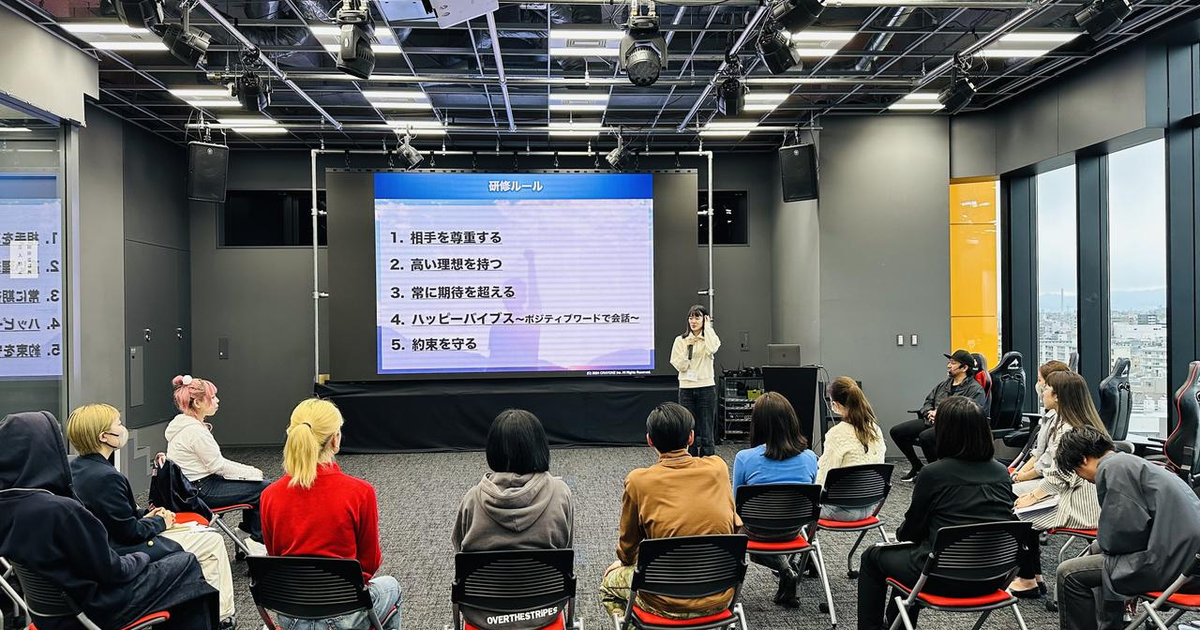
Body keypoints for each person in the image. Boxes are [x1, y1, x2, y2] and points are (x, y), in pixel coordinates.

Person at [0, 411, 219, 630]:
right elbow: (114, 570)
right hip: (98, 608)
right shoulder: (62, 511)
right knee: (186, 564)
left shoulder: (11, 506)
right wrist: (142, 557)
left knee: (176, 570)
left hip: (52, 616)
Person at [66, 404, 237, 626]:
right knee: (211, 541)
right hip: (123, 551)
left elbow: (115, 515)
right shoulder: (107, 477)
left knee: (201, 536)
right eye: (118, 424)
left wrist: (148, 515)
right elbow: (129, 532)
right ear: (104, 436)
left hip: (105, 548)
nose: (123, 428)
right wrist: (160, 521)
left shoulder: (76, 469)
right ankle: (221, 616)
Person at [856, 397, 1016, 630]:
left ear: (945, 433)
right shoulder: (1001, 472)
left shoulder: (933, 473)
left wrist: (901, 534)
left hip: (939, 578)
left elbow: (911, 531)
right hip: (993, 577)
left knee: (872, 557)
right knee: (913, 562)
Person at [260, 398, 402, 630]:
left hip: (291, 614)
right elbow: (369, 563)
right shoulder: (360, 492)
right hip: (344, 614)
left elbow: (275, 557)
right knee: (391, 586)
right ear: (335, 439)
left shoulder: (269, 495)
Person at [599, 402, 740, 620]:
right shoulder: (718, 468)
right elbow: (733, 526)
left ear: (650, 440)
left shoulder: (638, 481)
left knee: (608, 587)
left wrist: (623, 563)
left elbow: (628, 547)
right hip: (720, 595)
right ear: (691, 437)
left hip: (662, 599)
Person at [1053, 427, 1200, 630]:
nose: (1085, 479)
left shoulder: (1112, 469)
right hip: (1189, 563)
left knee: (1068, 573)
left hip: (1174, 567)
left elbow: (1120, 536)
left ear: (1083, 459)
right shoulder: (1133, 464)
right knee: (1097, 550)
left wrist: (1106, 543)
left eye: (1077, 472)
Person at [1009, 371, 1106, 598]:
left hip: (1079, 505)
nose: (1042, 391)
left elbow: (1062, 474)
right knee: (1021, 511)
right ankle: (1034, 577)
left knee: (1016, 514)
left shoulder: (1070, 429)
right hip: (1076, 497)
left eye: (1046, 388)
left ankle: (1027, 579)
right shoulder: (1071, 423)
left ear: (1058, 396)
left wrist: (1033, 496)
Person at [731, 391, 819, 608]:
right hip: (793, 530)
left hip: (755, 531)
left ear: (757, 424)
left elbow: (735, 505)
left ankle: (785, 570)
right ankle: (789, 567)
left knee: (742, 541)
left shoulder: (745, 459)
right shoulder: (810, 458)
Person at [164, 374, 269, 552]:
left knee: (255, 484)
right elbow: (218, 466)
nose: (217, 400)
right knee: (264, 489)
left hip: (188, 487)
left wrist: (250, 474)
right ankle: (256, 541)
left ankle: (246, 532)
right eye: (212, 397)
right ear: (197, 403)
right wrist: (252, 472)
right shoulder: (195, 432)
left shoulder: (183, 425)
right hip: (200, 490)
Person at [453, 408, 574, 552]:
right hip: (547, 568)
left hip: (487, 568)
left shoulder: (472, 499)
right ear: (540, 447)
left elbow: (460, 550)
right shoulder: (560, 493)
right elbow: (566, 545)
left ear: (492, 450)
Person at [890, 349, 988, 481]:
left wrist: (941, 414)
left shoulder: (975, 389)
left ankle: (937, 474)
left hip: (954, 426)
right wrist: (928, 413)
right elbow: (928, 401)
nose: (948, 366)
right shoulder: (944, 385)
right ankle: (917, 466)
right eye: (949, 362)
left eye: (953, 363)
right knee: (896, 432)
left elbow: (972, 413)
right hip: (933, 422)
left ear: (964, 368)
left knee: (925, 437)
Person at [816, 377, 886, 520]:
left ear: (835, 404)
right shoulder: (875, 429)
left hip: (839, 510)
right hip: (869, 508)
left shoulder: (836, 434)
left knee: (799, 508)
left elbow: (823, 478)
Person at [1010, 360, 1073, 484]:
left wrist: (1021, 477)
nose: (1039, 387)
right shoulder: (1051, 414)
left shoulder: (1062, 423)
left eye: (1040, 380)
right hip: (1042, 476)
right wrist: (1019, 473)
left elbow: (1046, 462)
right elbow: (1038, 454)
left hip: (1049, 480)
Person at [669, 304, 721, 457]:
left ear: (705, 319)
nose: (693, 321)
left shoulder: (709, 338)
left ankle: (708, 462)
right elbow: (679, 365)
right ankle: (689, 461)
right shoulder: (681, 340)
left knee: (707, 430)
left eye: (697, 317)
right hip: (686, 388)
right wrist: (687, 350)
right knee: (688, 429)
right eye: (691, 318)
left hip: (706, 387)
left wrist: (708, 328)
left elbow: (712, 348)